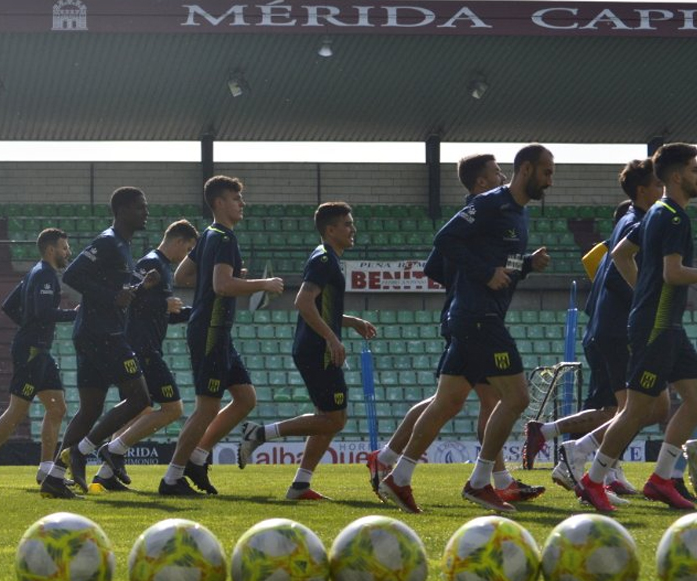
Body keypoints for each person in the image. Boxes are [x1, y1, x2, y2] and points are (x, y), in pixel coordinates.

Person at [379, 145, 553, 513]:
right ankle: (479, 482)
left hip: (480, 314)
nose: (549, 180)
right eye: (546, 172)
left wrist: (526, 265)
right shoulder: (490, 203)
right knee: (516, 398)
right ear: (526, 170)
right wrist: (483, 273)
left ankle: (398, 475)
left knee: (448, 402)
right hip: (477, 316)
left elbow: (501, 264)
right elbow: (444, 240)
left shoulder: (518, 214)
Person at [525, 160, 668, 502]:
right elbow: (620, 277)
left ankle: (598, 466)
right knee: (637, 410)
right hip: (619, 329)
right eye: (658, 184)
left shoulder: (626, 224)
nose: (663, 190)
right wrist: (647, 304)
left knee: (634, 409)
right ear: (642, 190)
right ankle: (582, 459)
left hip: (608, 328)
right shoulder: (638, 224)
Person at [578, 143, 697, 512]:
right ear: (677, 176)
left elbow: (619, 254)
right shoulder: (674, 217)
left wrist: (642, 294)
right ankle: (592, 479)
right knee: (636, 410)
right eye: (695, 169)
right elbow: (673, 273)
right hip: (656, 326)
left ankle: (662, 479)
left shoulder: (656, 212)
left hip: (665, 323)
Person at [236, 202, 376, 500]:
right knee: (334, 420)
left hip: (316, 347)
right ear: (330, 229)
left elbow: (320, 307)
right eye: (347, 224)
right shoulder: (324, 259)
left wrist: (348, 323)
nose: (353, 229)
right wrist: (332, 339)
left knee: (326, 416)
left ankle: (301, 485)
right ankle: (259, 433)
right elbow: (303, 301)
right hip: (317, 350)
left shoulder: (329, 259)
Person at [158, 175, 284, 496]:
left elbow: (182, 275)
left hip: (217, 332)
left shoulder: (209, 237)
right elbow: (222, 286)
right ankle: (172, 477)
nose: (242, 204)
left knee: (245, 398)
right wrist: (262, 283)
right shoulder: (224, 238)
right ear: (218, 203)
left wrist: (222, 273)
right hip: (211, 331)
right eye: (235, 198)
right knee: (207, 407)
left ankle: (198, 457)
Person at [39, 187, 156, 498]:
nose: (146, 212)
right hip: (102, 334)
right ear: (122, 210)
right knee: (141, 398)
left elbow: (117, 292)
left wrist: (140, 287)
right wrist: (111, 297)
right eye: (140, 207)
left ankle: (54, 476)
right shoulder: (108, 241)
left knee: (90, 408)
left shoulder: (123, 246)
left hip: (95, 332)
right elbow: (73, 276)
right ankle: (83, 450)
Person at [92, 220, 199, 491]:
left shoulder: (160, 266)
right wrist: (162, 303)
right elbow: (128, 297)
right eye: (187, 249)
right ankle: (113, 449)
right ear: (178, 241)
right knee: (173, 408)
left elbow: (155, 311)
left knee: (138, 409)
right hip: (143, 348)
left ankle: (105, 476)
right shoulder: (151, 263)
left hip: (143, 345)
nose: (185, 257)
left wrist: (192, 313)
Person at [0, 228, 74, 488]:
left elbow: (9, 305)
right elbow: (44, 312)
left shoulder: (34, 273)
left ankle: (46, 468)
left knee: (57, 408)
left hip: (39, 350)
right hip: (32, 352)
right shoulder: (46, 275)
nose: (68, 252)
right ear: (51, 249)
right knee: (17, 410)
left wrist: (27, 325)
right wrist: (74, 314)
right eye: (64, 247)